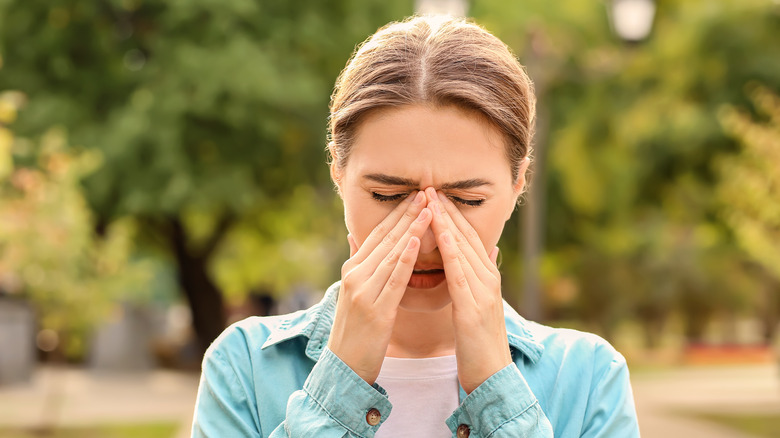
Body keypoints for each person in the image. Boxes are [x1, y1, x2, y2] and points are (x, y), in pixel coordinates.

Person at [191, 15, 640, 438]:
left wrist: (497, 388)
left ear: (518, 183)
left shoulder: (589, 378)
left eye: (467, 200)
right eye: (388, 196)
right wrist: (338, 386)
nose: (426, 236)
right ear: (338, 174)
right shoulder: (245, 367)